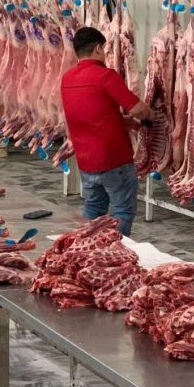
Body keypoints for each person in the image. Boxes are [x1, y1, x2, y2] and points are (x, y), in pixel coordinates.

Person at [60, 27, 150, 236]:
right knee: (122, 211)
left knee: (94, 209)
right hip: (114, 159)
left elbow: (89, 112)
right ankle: (113, 250)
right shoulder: (105, 76)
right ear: (98, 49)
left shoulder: (68, 79)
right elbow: (137, 109)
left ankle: (90, 249)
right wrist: (151, 114)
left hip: (86, 161)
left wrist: (120, 120)